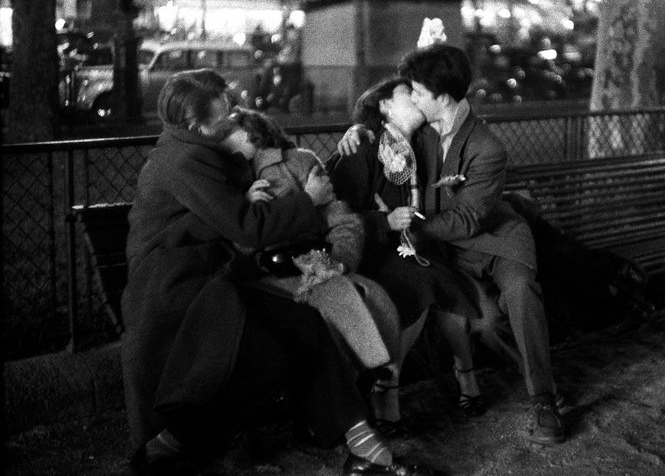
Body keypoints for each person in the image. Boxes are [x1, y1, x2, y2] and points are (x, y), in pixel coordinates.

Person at [121, 68, 443, 476]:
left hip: (222, 279)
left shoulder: (198, 149)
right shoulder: (183, 160)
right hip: (179, 289)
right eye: (225, 116)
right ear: (195, 125)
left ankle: (366, 450)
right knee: (280, 346)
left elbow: (246, 209)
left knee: (305, 326)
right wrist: (307, 199)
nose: (236, 118)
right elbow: (248, 227)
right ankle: (169, 444)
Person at [339, 45, 566, 445]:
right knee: (486, 322)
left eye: (418, 91)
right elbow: (383, 135)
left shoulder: (486, 148)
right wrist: (359, 129)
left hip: (496, 242)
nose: (412, 96)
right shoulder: (421, 131)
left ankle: (544, 400)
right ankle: (463, 378)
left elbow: (466, 219)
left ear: (441, 97)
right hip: (449, 253)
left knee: (520, 293)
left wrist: (403, 229)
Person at [327, 76, 485, 436]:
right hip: (373, 253)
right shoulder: (362, 148)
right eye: (406, 93)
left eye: (418, 92)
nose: (416, 98)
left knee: (437, 279)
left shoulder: (426, 143)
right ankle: (391, 388)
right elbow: (336, 217)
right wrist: (383, 221)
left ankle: (464, 375)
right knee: (425, 281)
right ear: (384, 105)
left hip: (419, 247)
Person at [222, 106, 401, 372]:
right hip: (261, 274)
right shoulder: (219, 177)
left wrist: (339, 260)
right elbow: (235, 238)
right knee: (321, 313)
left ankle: (375, 381)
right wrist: (248, 208)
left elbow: (343, 221)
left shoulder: (297, 163)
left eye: (228, 131)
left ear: (250, 134)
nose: (220, 139)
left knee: (370, 297)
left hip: (312, 261)